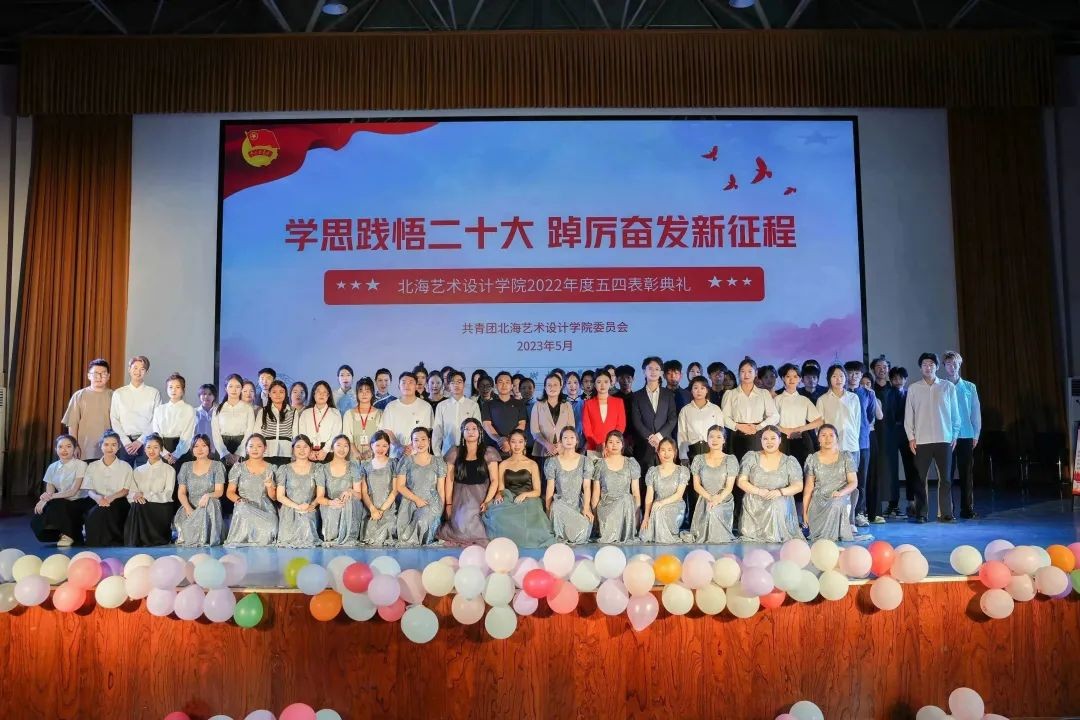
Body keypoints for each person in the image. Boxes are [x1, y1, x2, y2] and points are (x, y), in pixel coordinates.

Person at [904, 352, 961, 523]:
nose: (928, 368)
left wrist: (954, 435)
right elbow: (909, 416)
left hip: (944, 438)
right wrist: (911, 437)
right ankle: (921, 513)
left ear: (937, 367)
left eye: (931, 364)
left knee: (946, 478)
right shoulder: (914, 388)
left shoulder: (947, 387)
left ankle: (946, 513)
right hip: (922, 440)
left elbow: (955, 415)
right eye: (924, 365)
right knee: (920, 479)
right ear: (920, 368)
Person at [483, 429, 555, 547]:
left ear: (525, 443)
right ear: (509, 443)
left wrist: (525, 494)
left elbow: (537, 491)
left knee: (528, 518)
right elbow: (501, 488)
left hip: (528, 499)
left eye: (520, 442)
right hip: (509, 498)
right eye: (513, 442)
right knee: (496, 516)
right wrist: (499, 494)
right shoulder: (503, 464)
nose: (517, 445)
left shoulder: (532, 464)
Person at [438, 418, 502, 546]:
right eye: (467, 429)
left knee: (482, 526)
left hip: (482, 495)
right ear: (462, 432)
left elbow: (495, 480)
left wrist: (487, 501)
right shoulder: (455, 452)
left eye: (474, 429)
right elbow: (449, 480)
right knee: (462, 523)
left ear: (480, 432)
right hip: (460, 496)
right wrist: (449, 504)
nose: (470, 432)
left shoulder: (488, 452)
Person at [815, 364, 863, 527]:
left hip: (851, 446)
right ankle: (832, 521)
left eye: (841, 376)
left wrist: (854, 440)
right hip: (831, 449)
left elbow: (857, 423)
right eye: (834, 376)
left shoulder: (853, 398)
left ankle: (850, 520)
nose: (838, 379)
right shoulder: (823, 400)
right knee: (832, 484)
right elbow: (819, 426)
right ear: (829, 379)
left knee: (851, 483)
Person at [736, 426, 803, 542]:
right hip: (755, 501)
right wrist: (758, 491)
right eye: (765, 439)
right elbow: (741, 481)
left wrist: (779, 492)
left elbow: (798, 486)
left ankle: (776, 535)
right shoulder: (751, 457)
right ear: (761, 440)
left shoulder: (789, 461)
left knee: (775, 503)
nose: (769, 442)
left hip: (779, 500)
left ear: (780, 440)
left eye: (773, 438)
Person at [31, 434, 91, 546]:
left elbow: (73, 491)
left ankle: (68, 535)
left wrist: (48, 498)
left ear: (74, 449)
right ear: (56, 449)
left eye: (68, 446)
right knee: (37, 519)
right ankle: (65, 533)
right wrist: (44, 500)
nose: (64, 450)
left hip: (79, 501)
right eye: (60, 447)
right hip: (61, 500)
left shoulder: (81, 465)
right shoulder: (52, 467)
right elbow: (49, 491)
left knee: (57, 504)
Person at [802, 424, 858, 542]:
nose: (827, 438)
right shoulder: (812, 459)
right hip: (818, 500)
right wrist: (804, 512)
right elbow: (808, 489)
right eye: (823, 435)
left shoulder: (846, 457)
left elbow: (853, 482)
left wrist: (841, 493)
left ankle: (830, 540)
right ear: (818, 439)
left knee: (836, 503)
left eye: (831, 435)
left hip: (839, 496)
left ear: (837, 438)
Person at [943, 351, 982, 519]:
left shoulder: (969, 387)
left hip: (966, 434)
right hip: (947, 436)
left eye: (955, 364)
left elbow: (975, 411)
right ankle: (948, 511)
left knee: (966, 474)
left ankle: (967, 509)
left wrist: (976, 434)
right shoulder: (941, 386)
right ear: (944, 366)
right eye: (948, 364)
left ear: (960, 365)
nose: (952, 367)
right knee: (947, 475)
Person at [684, 425, 738, 543]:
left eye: (719, 437)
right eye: (711, 437)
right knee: (710, 509)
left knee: (714, 511)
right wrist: (710, 498)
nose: (715, 440)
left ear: (724, 440)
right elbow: (696, 485)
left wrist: (717, 499)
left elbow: (729, 487)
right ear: (707, 439)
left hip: (723, 499)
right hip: (705, 499)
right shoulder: (699, 459)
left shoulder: (730, 459)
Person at [395, 427, 447, 546]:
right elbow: (400, 486)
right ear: (412, 443)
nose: (420, 443)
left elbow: (440, 489)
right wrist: (416, 499)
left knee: (424, 519)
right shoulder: (406, 461)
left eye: (423, 439)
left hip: (431, 502)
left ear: (429, 440)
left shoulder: (438, 461)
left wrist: (441, 509)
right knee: (405, 534)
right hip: (410, 501)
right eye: (416, 440)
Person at [721, 357, 780, 460]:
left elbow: (775, 416)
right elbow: (724, 417)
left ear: (756, 373)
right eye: (743, 371)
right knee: (737, 466)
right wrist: (738, 426)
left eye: (750, 371)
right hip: (736, 435)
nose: (746, 375)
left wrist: (758, 427)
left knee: (757, 465)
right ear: (739, 373)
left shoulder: (763, 393)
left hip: (757, 435)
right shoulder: (730, 394)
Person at [224, 434, 279, 545]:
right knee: (243, 508)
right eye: (251, 446)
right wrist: (239, 500)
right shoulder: (238, 467)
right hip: (244, 506)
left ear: (265, 448)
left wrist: (269, 486)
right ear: (246, 449)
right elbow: (230, 492)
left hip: (265, 508)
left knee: (272, 526)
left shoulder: (272, 468)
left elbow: (274, 497)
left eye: (259, 446)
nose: (255, 449)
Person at [844, 360, 880, 526]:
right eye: (850, 373)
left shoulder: (868, 394)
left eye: (857, 373)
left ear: (861, 375)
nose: (853, 376)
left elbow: (870, 416)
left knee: (861, 480)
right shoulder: (840, 393)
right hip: (844, 443)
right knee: (843, 480)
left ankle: (859, 512)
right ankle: (844, 515)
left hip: (863, 442)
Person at [544, 427, 595, 544]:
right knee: (556, 507)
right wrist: (547, 509)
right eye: (565, 437)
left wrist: (586, 508)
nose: (569, 440)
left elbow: (587, 487)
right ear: (561, 441)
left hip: (578, 504)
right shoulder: (553, 462)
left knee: (581, 533)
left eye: (572, 437)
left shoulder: (585, 461)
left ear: (577, 441)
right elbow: (550, 487)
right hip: (560, 504)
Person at [124, 434, 177, 546]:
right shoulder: (137, 470)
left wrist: (146, 495)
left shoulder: (169, 470)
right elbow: (131, 492)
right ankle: (139, 540)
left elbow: (168, 494)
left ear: (161, 449)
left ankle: (147, 538)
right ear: (144, 449)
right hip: (140, 506)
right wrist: (136, 496)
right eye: (148, 447)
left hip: (161, 507)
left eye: (155, 447)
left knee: (140, 505)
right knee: (137, 505)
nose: (151, 451)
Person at [172, 434, 225, 546]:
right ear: (192, 449)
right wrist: (188, 508)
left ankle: (207, 537)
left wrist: (207, 496)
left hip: (208, 504)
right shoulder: (186, 466)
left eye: (204, 445)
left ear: (209, 448)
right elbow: (181, 493)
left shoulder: (217, 465)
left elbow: (219, 491)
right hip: (190, 504)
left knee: (212, 502)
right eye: (196, 446)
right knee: (186, 523)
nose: (200, 449)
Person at [83, 431, 133, 546]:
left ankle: (113, 541)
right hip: (96, 499)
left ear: (119, 446)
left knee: (110, 510)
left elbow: (126, 490)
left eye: (113, 445)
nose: (110, 448)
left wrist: (111, 497)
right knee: (95, 511)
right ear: (101, 446)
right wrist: (97, 498)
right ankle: (95, 541)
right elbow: (88, 489)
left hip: (118, 499)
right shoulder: (92, 466)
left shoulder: (125, 466)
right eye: (106, 444)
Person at [629, 356, 678, 476]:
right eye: (650, 368)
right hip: (644, 445)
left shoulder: (668, 394)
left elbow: (672, 418)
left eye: (657, 369)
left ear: (661, 372)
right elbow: (636, 421)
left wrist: (659, 436)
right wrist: (651, 437)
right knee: (644, 480)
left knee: (666, 478)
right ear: (644, 371)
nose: (653, 372)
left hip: (665, 444)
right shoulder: (636, 396)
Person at [591, 430, 641, 543]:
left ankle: (625, 531)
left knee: (626, 497)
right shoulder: (600, 464)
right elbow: (596, 494)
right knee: (625, 499)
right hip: (606, 507)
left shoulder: (631, 463)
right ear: (606, 445)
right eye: (610, 442)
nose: (614, 445)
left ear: (622, 444)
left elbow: (636, 492)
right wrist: (595, 519)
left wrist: (637, 515)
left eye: (617, 442)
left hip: (626, 507)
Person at [110, 355, 159, 466]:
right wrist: (126, 442)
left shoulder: (154, 393)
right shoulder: (118, 393)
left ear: (147, 372)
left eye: (142, 369)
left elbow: (156, 420)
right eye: (135, 368)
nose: (138, 372)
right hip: (124, 443)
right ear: (129, 369)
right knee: (124, 474)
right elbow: (114, 419)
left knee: (146, 474)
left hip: (147, 442)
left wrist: (140, 441)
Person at [317, 434, 365, 546]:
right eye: (338, 445)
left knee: (349, 503)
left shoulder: (353, 466)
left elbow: (359, 495)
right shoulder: (322, 469)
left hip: (349, 505)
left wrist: (350, 491)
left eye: (346, 446)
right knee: (332, 510)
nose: (342, 449)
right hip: (330, 504)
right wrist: (331, 502)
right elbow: (319, 498)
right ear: (332, 447)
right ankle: (332, 536)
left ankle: (348, 536)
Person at [639, 437, 690, 543]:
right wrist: (646, 517)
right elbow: (649, 496)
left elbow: (679, 495)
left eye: (669, 450)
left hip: (675, 505)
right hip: (657, 506)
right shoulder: (652, 472)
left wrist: (662, 503)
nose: (666, 453)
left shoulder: (682, 471)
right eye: (663, 450)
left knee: (660, 511)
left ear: (675, 452)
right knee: (646, 534)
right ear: (658, 452)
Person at [62, 358, 113, 461]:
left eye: (103, 374)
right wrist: (74, 445)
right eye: (95, 374)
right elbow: (73, 424)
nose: (99, 377)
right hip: (83, 450)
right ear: (89, 375)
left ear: (108, 376)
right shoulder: (79, 396)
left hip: (108, 450)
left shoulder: (114, 396)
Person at [276, 435, 323, 547]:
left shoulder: (318, 468)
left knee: (307, 531)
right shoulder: (284, 469)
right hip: (289, 509)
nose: (302, 450)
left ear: (310, 449)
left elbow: (320, 494)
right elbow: (280, 496)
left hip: (309, 508)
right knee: (289, 540)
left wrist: (311, 505)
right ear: (293, 449)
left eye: (305, 447)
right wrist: (297, 507)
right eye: (298, 447)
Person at [869, 356, 901, 518]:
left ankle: (893, 505)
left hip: (891, 434)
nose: (882, 369)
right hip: (873, 433)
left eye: (885, 367)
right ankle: (874, 506)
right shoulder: (869, 390)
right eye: (878, 366)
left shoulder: (895, 390)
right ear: (873, 369)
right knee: (874, 468)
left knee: (891, 468)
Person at [774, 363, 823, 466]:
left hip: (802, 439)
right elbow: (770, 422)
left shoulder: (804, 400)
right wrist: (785, 430)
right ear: (783, 378)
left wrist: (801, 428)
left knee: (804, 469)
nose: (792, 379)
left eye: (795, 376)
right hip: (782, 440)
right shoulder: (777, 399)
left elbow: (819, 421)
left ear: (800, 379)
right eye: (788, 376)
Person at [380, 372, 435, 459]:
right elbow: (387, 430)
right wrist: (399, 446)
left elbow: (427, 430)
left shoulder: (425, 406)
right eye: (404, 382)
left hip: (419, 455)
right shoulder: (391, 406)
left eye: (411, 382)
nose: (407, 385)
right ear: (399, 386)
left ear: (416, 386)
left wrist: (412, 446)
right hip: (395, 455)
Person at [529, 372, 575, 470]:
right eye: (549, 385)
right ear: (545, 388)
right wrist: (547, 445)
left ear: (561, 387)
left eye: (555, 385)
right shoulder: (538, 405)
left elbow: (571, 428)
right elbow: (535, 431)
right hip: (542, 450)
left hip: (563, 450)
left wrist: (560, 444)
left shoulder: (567, 405)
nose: (552, 388)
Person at [360, 431, 399, 546]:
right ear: (371, 445)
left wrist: (382, 510)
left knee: (387, 531)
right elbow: (364, 492)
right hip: (370, 509)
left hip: (388, 509)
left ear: (389, 447)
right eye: (377, 445)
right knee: (370, 533)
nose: (380, 449)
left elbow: (395, 491)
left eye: (384, 446)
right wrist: (373, 509)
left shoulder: (394, 463)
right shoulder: (365, 465)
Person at [149, 372, 196, 467]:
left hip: (182, 451)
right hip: (161, 450)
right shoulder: (159, 409)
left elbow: (187, 435)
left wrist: (176, 455)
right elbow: (156, 433)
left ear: (183, 389)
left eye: (177, 387)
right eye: (170, 387)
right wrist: (164, 453)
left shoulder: (189, 409)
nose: (173, 390)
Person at [890, 366, 919, 516]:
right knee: (891, 470)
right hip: (891, 435)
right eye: (894, 378)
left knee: (910, 469)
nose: (898, 381)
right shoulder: (888, 394)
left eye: (900, 378)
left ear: (905, 379)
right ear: (891, 380)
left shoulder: (910, 394)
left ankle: (911, 502)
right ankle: (893, 504)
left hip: (908, 435)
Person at [432, 370, 482, 457]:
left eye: (459, 382)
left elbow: (478, 430)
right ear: (448, 385)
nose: (456, 385)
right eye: (452, 382)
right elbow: (437, 431)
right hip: (447, 452)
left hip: (469, 453)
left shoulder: (473, 405)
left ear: (464, 384)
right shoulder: (442, 406)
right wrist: (437, 454)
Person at [481, 371, 528, 458]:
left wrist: (509, 440)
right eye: (500, 382)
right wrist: (500, 440)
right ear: (495, 386)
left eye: (507, 382)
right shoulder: (487, 404)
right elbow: (486, 425)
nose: (504, 385)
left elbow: (522, 424)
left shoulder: (520, 404)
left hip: (514, 448)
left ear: (511, 386)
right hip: (492, 449)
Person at [212, 373, 255, 467]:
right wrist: (225, 453)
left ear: (241, 388)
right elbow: (215, 433)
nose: (234, 390)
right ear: (225, 388)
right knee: (221, 475)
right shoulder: (218, 408)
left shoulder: (248, 408)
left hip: (242, 445)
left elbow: (249, 432)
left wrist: (239, 453)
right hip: (222, 446)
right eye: (230, 386)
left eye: (237, 387)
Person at [295, 380, 343, 462]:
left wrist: (325, 450)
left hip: (329, 453)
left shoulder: (335, 413)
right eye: (318, 392)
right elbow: (301, 434)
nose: (321, 394)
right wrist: (309, 451)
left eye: (325, 392)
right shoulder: (306, 413)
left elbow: (336, 434)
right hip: (308, 453)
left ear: (328, 395)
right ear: (313, 394)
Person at [581, 372, 626, 456]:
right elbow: (587, 429)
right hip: (594, 448)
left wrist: (610, 443)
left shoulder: (618, 402)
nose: (602, 385)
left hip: (613, 448)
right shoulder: (588, 404)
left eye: (606, 382)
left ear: (610, 383)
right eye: (599, 382)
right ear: (594, 384)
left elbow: (621, 425)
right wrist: (598, 444)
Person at [254, 380, 297, 465]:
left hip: (286, 453)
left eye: (281, 392)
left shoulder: (293, 412)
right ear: (269, 394)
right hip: (266, 453)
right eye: (274, 392)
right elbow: (257, 433)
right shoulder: (263, 411)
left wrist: (294, 453)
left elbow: (296, 434)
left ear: (285, 394)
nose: (278, 395)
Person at [343, 377, 383, 462]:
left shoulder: (380, 414)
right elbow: (347, 437)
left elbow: (381, 438)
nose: (364, 394)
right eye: (361, 391)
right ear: (357, 394)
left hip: (375, 457)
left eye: (367, 391)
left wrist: (370, 452)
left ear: (372, 393)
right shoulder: (348, 414)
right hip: (354, 458)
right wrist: (356, 452)